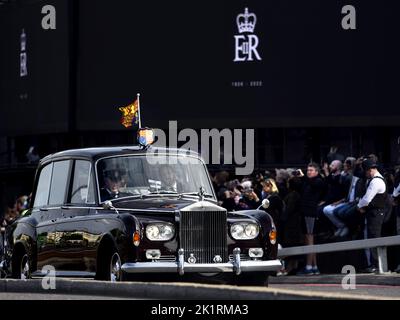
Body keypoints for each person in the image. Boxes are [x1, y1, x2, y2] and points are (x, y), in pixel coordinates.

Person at [357, 159, 387, 273]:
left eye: (365, 171)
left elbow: (367, 198)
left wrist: (359, 206)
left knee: (374, 237)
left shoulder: (376, 181)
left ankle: (376, 265)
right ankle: (375, 264)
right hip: (375, 212)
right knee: (373, 237)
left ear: (370, 170)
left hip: (376, 213)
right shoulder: (376, 179)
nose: (365, 174)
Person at [297, 163, 325, 275]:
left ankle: (309, 267)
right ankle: (313, 266)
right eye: (308, 170)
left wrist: (303, 177)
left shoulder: (318, 181)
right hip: (305, 213)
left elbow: (315, 186)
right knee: (308, 239)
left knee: (310, 239)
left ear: (317, 172)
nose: (309, 172)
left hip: (311, 213)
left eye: (311, 170)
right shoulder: (306, 182)